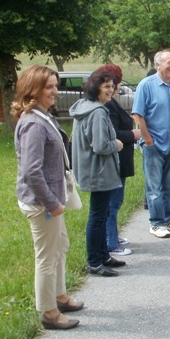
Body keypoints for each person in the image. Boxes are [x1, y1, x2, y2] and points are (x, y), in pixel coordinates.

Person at [12, 64, 83, 329]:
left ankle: (60, 295)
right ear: (33, 89)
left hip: (51, 199)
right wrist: (52, 204)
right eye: (49, 87)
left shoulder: (42, 115)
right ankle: (49, 313)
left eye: (55, 85)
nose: (55, 91)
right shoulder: (32, 123)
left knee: (59, 247)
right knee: (46, 256)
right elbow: (31, 171)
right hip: (42, 203)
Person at [70, 68, 125, 277]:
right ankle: (95, 261)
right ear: (95, 88)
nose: (110, 90)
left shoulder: (85, 107)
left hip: (92, 170)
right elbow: (100, 145)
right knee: (98, 216)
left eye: (112, 86)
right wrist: (117, 144)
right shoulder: (98, 112)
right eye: (106, 86)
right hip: (99, 171)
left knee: (100, 214)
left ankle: (103, 256)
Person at [132, 51, 170, 239]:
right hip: (154, 145)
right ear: (158, 65)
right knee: (154, 187)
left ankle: (169, 219)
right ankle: (156, 223)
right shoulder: (146, 85)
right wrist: (148, 141)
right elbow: (138, 115)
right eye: (169, 63)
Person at [103, 64, 141, 256]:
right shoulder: (108, 105)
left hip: (121, 159)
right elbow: (114, 134)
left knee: (115, 202)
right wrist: (133, 134)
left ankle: (112, 235)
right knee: (113, 203)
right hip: (116, 160)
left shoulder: (112, 102)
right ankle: (110, 242)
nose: (114, 87)